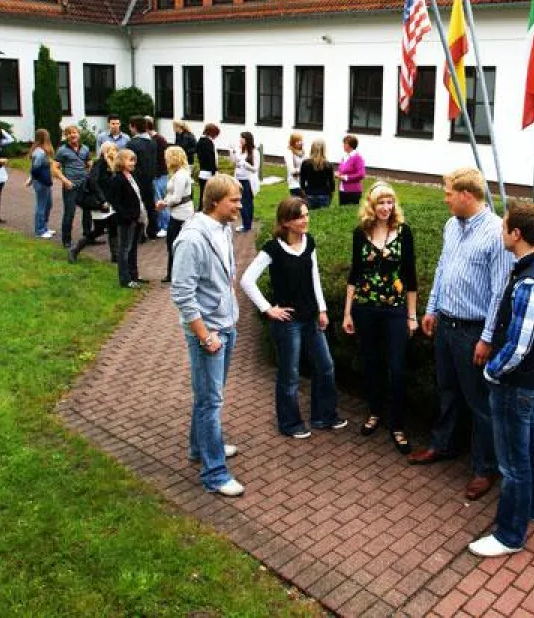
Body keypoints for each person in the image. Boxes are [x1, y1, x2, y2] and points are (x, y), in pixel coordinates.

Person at [407, 167, 514, 503]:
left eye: (448, 193)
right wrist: (431, 308)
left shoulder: (497, 233)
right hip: (446, 325)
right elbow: (442, 267)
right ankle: (443, 445)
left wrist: (485, 338)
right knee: (447, 389)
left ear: (467, 195)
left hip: (473, 331)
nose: (445, 199)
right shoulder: (451, 226)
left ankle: (485, 468)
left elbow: (499, 292)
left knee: (479, 402)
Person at [468, 201, 534, 557]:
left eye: (504, 226)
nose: (500, 231)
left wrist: (491, 372)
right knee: (532, 441)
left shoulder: (529, 283)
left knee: (513, 462)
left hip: (516, 385)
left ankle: (510, 535)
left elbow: (517, 347)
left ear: (516, 234)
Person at [240, 196, 347, 438]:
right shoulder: (273, 248)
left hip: (311, 317)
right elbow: (246, 280)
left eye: (307, 214)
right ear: (286, 222)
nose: (306, 220)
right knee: (290, 374)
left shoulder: (309, 242)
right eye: (300, 216)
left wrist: (322, 309)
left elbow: (315, 278)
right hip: (288, 322)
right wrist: (268, 308)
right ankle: (289, 423)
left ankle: (324, 416)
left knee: (326, 366)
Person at [171, 174, 246, 497]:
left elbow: (225, 274)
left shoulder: (224, 229)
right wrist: (206, 336)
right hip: (210, 333)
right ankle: (214, 474)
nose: (240, 206)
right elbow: (182, 294)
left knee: (207, 398)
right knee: (211, 402)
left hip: (226, 325)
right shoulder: (192, 239)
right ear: (215, 201)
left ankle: (198, 449)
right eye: (234, 200)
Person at [342, 182, 418, 454]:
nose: (386, 207)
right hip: (365, 309)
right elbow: (355, 273)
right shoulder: (360, 233)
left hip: (395, 311)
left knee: (396, 368)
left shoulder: (404, 233)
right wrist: (348, 312)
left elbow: (410, 276)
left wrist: (412, 316)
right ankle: (374, 413)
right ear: (371, 206)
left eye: (390, 202)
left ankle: (397, 425)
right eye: (381, 203)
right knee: (372, 364)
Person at [106, 148, 146, 288]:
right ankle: (125, 279)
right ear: (122, 161)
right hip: (126, 220)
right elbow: (114, 201)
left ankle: (134, 274)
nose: (133, 163)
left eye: (134, 160)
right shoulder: (118, 179)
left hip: (135, 218)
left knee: (133, 248)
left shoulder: (131, 176)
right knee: (124, 249)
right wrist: (126, 216)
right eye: (130, 160)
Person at [158, 145, 195, 283]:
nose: (165, 160)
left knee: (174, 244)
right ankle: (173, 273)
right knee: (173, 244)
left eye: (167, 157)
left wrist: (164, 203)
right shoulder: (179, 173)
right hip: (178, 213)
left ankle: (175, 274)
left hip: (181, 215)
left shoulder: (180, 175)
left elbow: (177, 197)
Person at [54, 124, 92, 249]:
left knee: (88, 211)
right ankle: (66, 240)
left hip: (84, 185)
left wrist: (89, 174)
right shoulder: (62, 150)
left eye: (74, 132)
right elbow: (54, 168)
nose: (72, 135)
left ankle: (88, 236)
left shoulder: (85, 148)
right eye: (69, 133)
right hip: (70, 186)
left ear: (78, 134)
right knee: (69, 213)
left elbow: (88, 163)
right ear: (66, 136)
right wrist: (65, 181)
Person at [126, 116, 159, 239]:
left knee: (137, 206)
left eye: (130, 126)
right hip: (150, 179)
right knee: (150, 206)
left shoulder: (132, 143)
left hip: (137, 179)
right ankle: (152, 230)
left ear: (134, 126)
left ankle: (139, 233)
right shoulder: (152, 142)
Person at [86, 141, 119, 262]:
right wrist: (102, 200)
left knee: (114, 228)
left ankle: (115, 255)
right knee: (99, 230)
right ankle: (76, 248)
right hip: (101, 202)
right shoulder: (99, 163)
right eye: (110, 150)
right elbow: (93, 182)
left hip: (112, 202)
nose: (113, 152)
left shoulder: (115, 166)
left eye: (115, 150)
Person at [25, 128, 57, 239]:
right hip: (41, 182)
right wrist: (33, 179)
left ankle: (44, 227)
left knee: (48, 204)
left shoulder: (42, 151)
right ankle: (40, 230)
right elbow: (35, 168)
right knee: (42, 206)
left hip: (45, 182)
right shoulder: (40, 152)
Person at [233, 131, 260, 233]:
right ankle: (247, 224)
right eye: (240, 138)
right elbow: (235, 163)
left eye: (242, 138)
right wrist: (232, 152)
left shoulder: (254, 152)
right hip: (238, 179)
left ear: (247, 140)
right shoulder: (240, 150)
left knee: (245, 202)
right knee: (245, 202)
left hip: (248, 180)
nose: (240, 140)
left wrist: (245, 164)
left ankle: (246, 225)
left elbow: (255, 169)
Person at [299, 139, 334, 210]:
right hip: (324, 194)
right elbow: (331, 183)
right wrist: (331, 195)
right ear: (324, 150)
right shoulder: (328, 164)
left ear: (312, 149)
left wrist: (303, 193)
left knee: (310, 218)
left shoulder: (305, 163)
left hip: (309, 194)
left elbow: (302, 180)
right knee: (323, 218)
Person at [151, 117, 171, 239]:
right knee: (160, 200)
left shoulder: (158, 140)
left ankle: (165, 226)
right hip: (160, 174)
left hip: (159, 174)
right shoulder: (158, 139)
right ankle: (161, 224)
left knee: (160, 200)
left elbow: (160, 159)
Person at [196, 123, 220, 210]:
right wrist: (214, 172)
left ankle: (201, 209)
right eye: (216, 134)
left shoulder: (200, 141)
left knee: (203, 193)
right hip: (209, 173)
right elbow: (211, 159)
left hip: (202, 172)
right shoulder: (208, 142)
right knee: (208, 194)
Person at [336, 134, 366, 206]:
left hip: (353, 191)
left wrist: (345, 177)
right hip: (342, 189)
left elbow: (361, 174)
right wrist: (338, 174)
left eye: (345, 143)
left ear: (350, 145)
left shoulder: (357, 157)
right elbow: (342, 170)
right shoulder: (345, 157)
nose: (343, 145)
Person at [285, 132, 306, 198]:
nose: (299, 142)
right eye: (297, 141)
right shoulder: (289, 153)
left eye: (300, 140)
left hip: (304, 182)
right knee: (298, 203)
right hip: (294, 183)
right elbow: (292, 170)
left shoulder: (303, 152)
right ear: (292, 142)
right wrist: (304, 169)